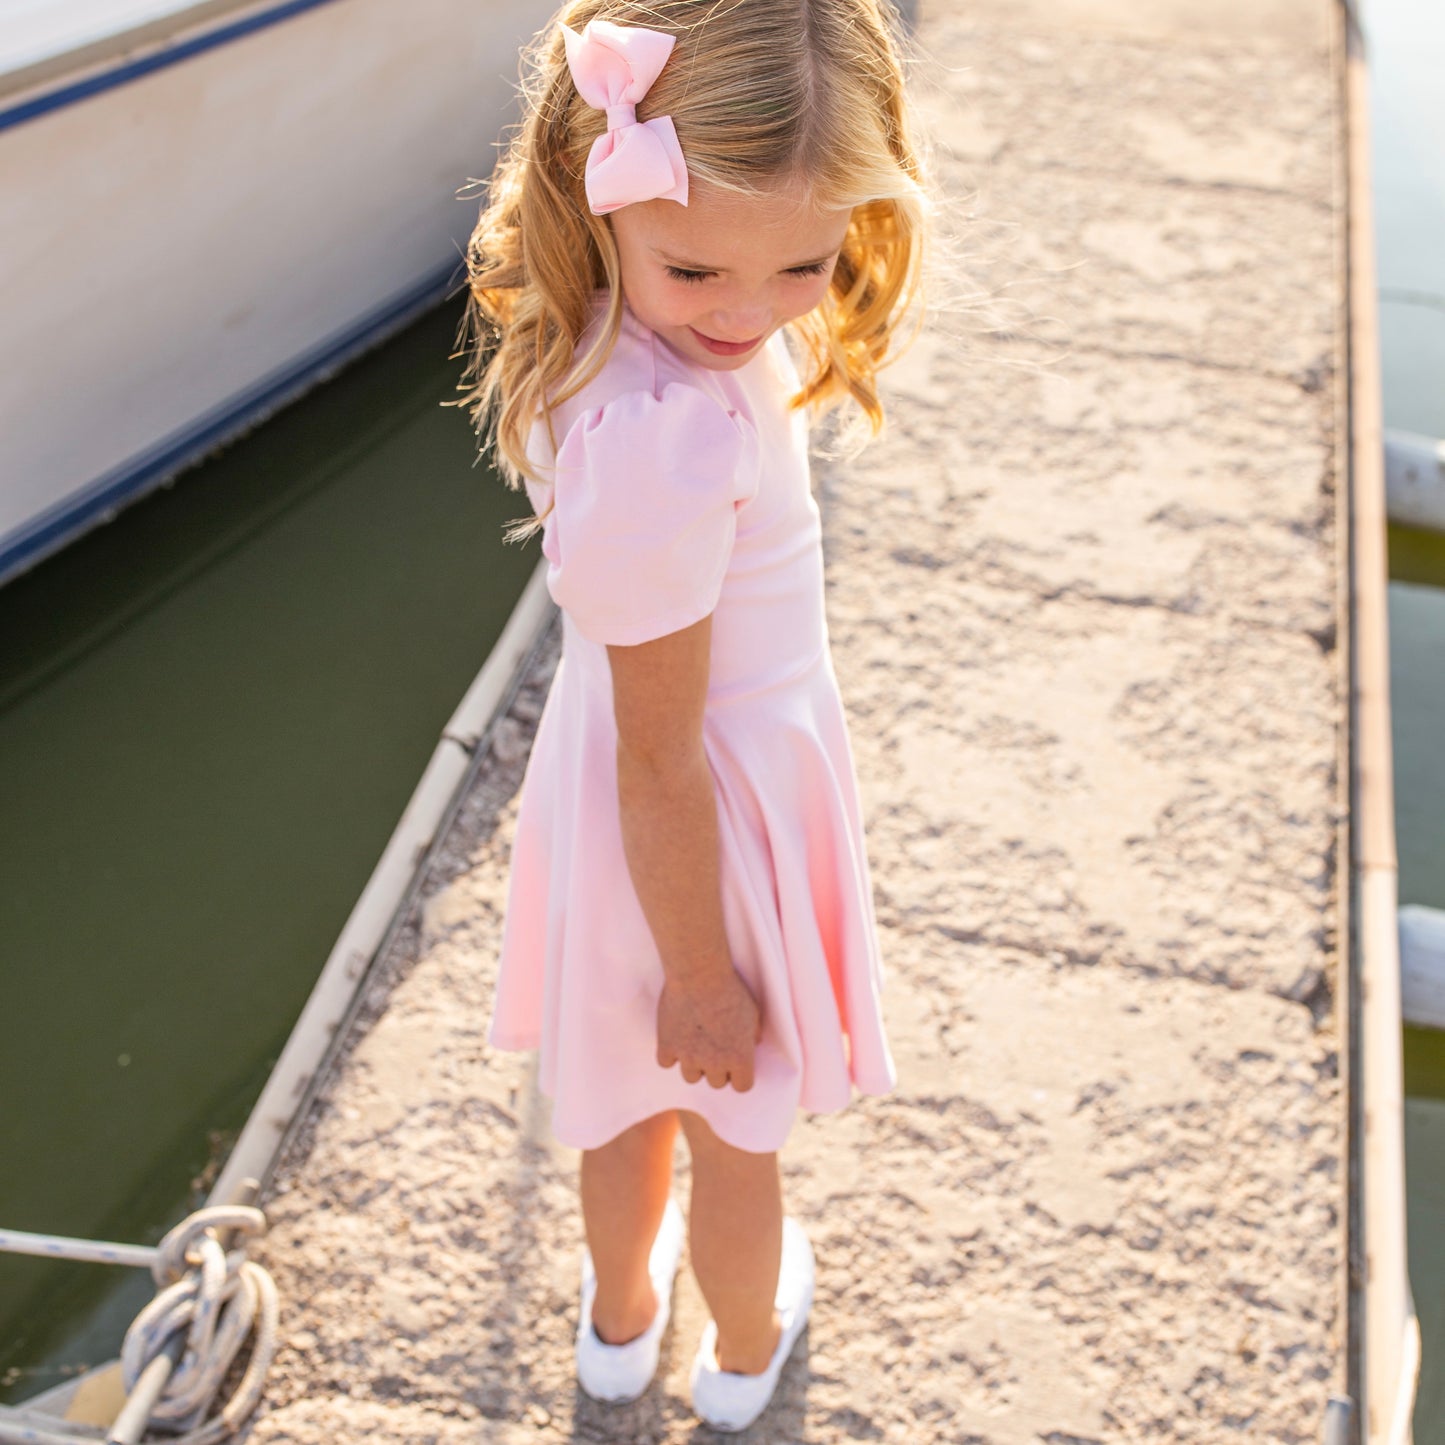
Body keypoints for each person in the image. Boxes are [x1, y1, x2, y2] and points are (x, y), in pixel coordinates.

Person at [458, 0, 926, 1430]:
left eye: (808, 257)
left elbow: (641, 737)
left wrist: (721, 275)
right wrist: (702, 970)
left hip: (632, 797)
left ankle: (616, 1333)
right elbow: (669, 756)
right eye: (700, 265)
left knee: (615, 1104)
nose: (750, 305)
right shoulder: (668, 439)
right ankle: (734, 1363)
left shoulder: (626, 337)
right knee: (729, 1130)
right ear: (603, 204)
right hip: (698, 824)